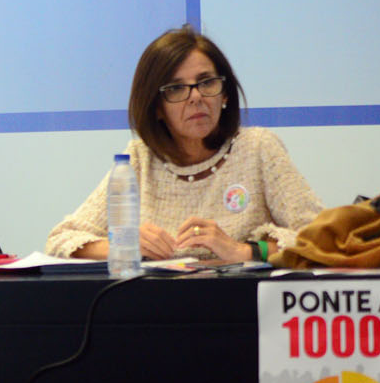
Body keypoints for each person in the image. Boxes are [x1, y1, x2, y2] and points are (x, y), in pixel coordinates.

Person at [46, 27, 324, 262]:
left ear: (224, 94)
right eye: (176, 88)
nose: (196, 97)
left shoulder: (258, 148)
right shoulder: (141, 157)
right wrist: (123, 245)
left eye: (206, 82)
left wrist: (242, 250)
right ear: (156, 108)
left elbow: (322, 239)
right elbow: (61, 239)